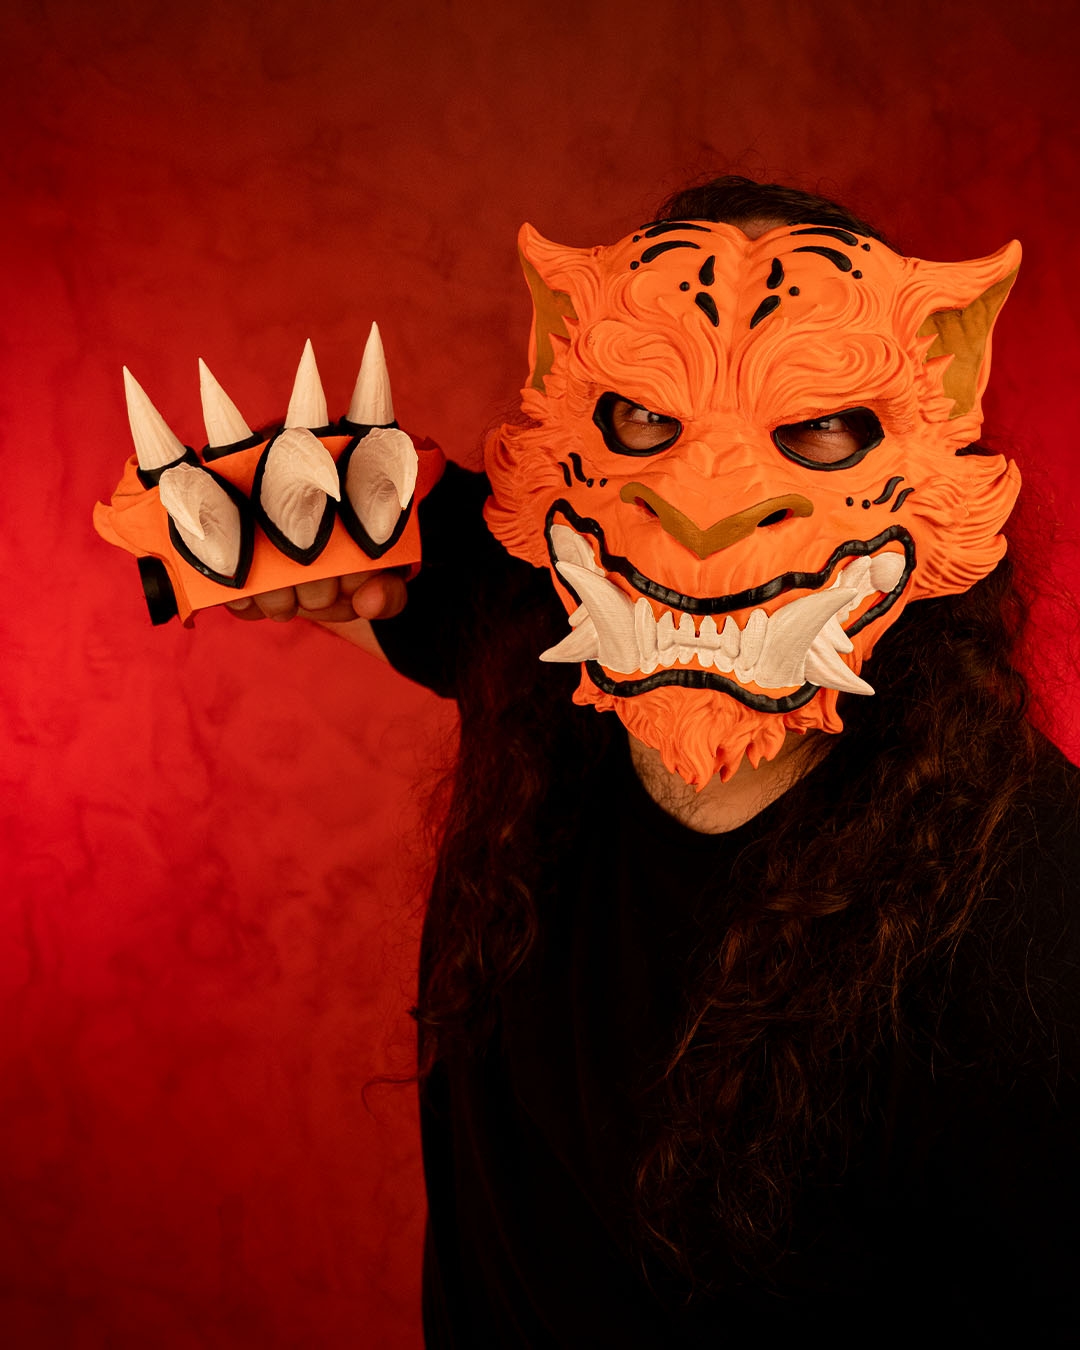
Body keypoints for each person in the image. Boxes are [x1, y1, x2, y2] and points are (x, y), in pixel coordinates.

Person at [226, 178, 1080, 1345]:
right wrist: (273, 516)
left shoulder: (1037, 911)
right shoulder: (533, 628)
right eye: (642, 416)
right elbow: (331, 542)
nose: (701, 509)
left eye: (820, 424)